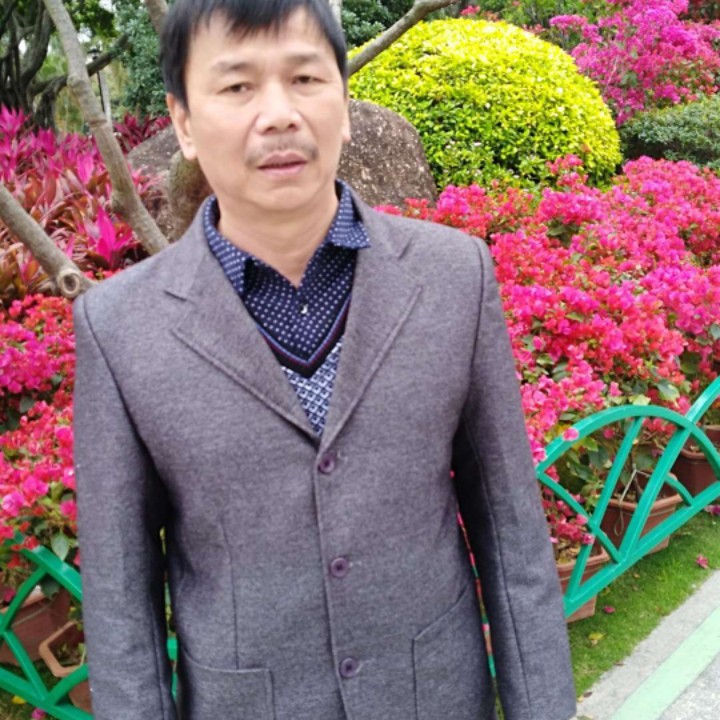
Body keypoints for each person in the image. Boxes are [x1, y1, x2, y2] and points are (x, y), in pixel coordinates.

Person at [72, 1, 577, 718]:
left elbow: (512, 536)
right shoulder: (120, 326)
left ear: (342, 102)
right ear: (183, 122)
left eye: (305, 78)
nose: (279, 115)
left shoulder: (454, 277)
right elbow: (121, 604)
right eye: (237, 86)